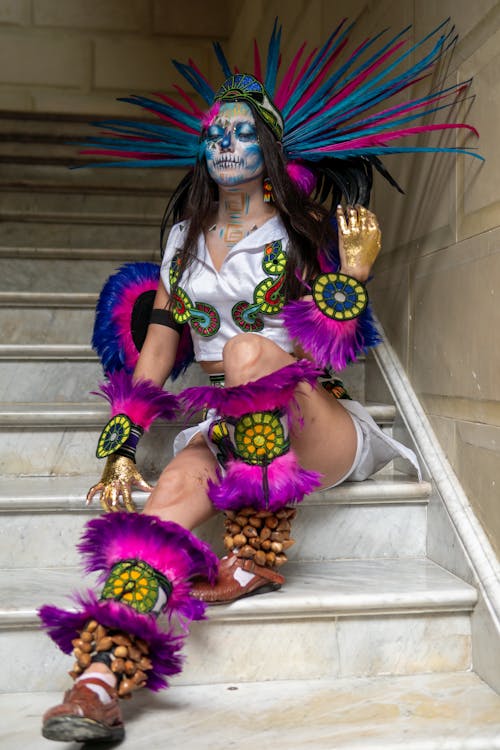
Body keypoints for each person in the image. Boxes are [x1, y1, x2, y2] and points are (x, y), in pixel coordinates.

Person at [38, 20, 480, 744]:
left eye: (241, 134)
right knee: (170, 500)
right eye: (215, 133)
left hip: (313, 424)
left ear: (268, 148)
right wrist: (119, 445)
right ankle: (98, 679)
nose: (225, 144)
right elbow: (157, 348)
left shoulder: (302, 224)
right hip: (225, 425)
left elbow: (332, 342)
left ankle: (254, 552)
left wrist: (353, 273)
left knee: (247, 355)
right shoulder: (181, 239)